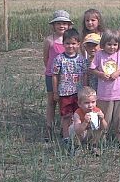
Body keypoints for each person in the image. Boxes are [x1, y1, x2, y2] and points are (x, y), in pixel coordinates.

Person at [89, 29, 120, 142]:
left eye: (115, 44)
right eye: (109, 44)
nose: (112, 47)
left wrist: (118, 73)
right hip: (104, 93)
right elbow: (92, 69)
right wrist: (101, 74)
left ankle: (119, 139)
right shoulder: (99, 54)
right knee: (104, 116)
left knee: (119, 118)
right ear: (103, 44)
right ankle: (100, 140)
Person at [52, 28, 88, 145]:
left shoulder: (82, 59)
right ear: (63, 44)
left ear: (78, 44)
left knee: (78, 115)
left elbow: (85, 75)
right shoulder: (59, 59)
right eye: (67, 43)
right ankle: (66, 137)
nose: (70, 46)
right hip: (64, 93)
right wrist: (55, 92)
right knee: (66, 115)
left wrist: (86, 89)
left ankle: (78, 136)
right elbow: (55, 76)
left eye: (73, 43)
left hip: (78, 93)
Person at [43, 10, 73, 142]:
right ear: (53, 25)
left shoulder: (70, 41)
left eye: (64, 23)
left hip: (67, 77)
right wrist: (52, 71)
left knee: (64, 102)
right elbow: (46, 58)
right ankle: (49, 127)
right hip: (52, 75)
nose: (62, 26)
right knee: (52, 101)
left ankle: (64, 128)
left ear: (69, 25)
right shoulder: (49, 40)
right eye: (58, 23)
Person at [69, 86, 108, 154]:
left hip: (92, 134)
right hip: (82, 134)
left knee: (100, 128)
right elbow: (78, 131)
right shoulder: (78, 113)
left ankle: (95, 146)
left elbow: (105, 128)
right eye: (86, 103)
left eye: (93, 102)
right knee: (72, 128)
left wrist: (102, 119)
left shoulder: (97, 111)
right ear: (79, 104)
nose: (90, 105)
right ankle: (78, 147)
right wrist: (85, 122)